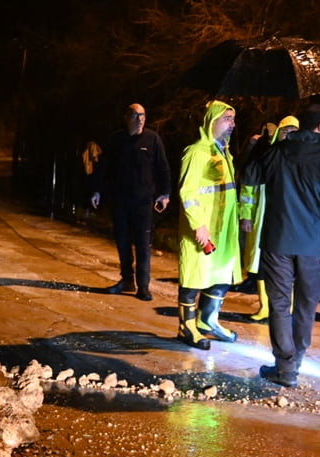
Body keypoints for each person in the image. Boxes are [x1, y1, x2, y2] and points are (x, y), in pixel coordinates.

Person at [241, 103, 320, 388]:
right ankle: (296, 360)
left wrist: (262, 144)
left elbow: (250, 175)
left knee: (278, 305)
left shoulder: (277, 152)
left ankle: (285, 366)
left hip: (278, 241)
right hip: (314, 246)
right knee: (306, 306)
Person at [175, 100, 242, 349]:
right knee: (194, 278)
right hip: (202, 229)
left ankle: (208, 320)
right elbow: (188, 192)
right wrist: (198, 225)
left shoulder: (223, 153)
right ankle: (187, 327)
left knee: (222, 274)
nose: (231, 125)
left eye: (233, 120)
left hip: (224, 229)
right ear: (211, 122)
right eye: (226, 119)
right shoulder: (197, 152)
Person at [90, 103, 172, 301]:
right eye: (135, 115)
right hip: (120, 200)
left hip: (144, 202)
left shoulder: (152, 139)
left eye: (143, 115)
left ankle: (143, 286)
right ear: (126, 117)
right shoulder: (116, 140)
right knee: (123, 241)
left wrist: (165, 193)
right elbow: (104, 167)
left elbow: (163, 168)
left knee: (143, 244)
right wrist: (97, 190)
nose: (140, 119)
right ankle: (127, 280)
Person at [238, 115, 298, 322]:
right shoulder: (265, 154)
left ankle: (285, 308)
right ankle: (265, 307)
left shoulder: (302, 159)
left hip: (289, 218)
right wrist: (246, 214)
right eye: (285, 131)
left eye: (293, 132)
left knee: (286, 263)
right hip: (263, 214)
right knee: (262, 262)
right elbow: (249, 185)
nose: (289, 136)